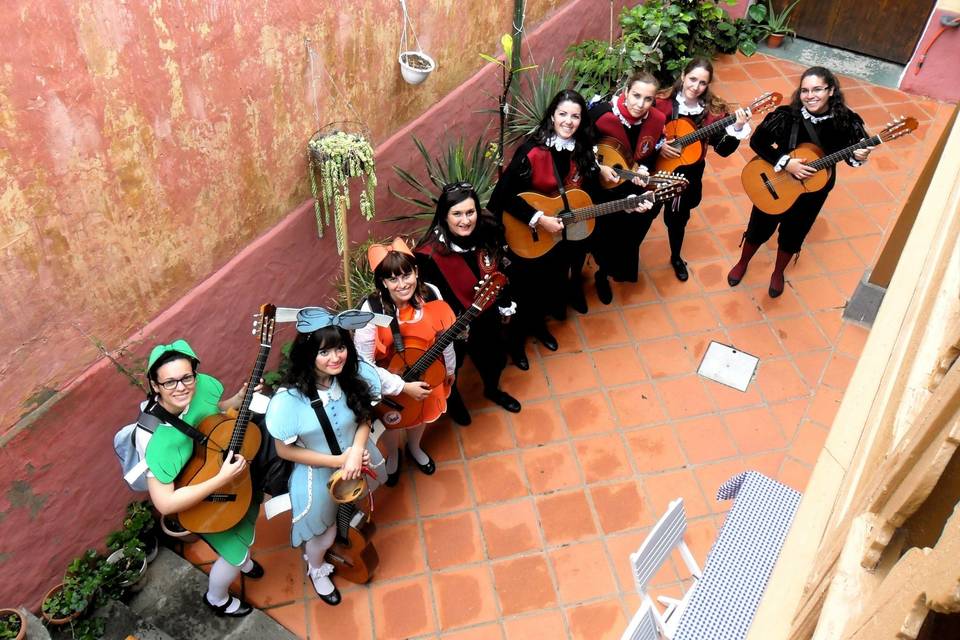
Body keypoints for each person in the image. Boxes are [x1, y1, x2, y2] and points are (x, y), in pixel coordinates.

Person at [265, 309, 385, 606]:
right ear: (308, 354)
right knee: (323, 532)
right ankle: (316, 567)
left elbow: (364, 418)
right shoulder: (289, 400)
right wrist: (339, 462)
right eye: (325, 351)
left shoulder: (351, 377)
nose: (335, 357)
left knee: (353, 506)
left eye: (340, 347)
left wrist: (356, 451)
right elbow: (284, 450)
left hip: (357, 459)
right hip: (317, 473)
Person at [136, 340, 263, 617]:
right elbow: (166, 503)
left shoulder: (201, 387)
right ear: (155, 386)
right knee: (234, 555)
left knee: (246, 522)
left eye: (186, 377)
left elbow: (213, 411)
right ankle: (217, 598)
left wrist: (239, 398)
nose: (181, 387)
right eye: (169, 382)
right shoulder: (153, 438)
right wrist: (220, 479)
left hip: (226, 477)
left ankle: (243, 560)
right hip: (199, 498)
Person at [487, 89, 611, 360]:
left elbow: (590, 194)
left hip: (562, 237)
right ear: (552, 116)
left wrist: (628, 198)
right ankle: (517, 344)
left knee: (548, 286)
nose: (568, 121)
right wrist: (539, 219)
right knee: (526, 290)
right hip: (530, 234)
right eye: (563, 114)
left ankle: (539, 327)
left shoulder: (582, 150)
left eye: (575, 116)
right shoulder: (531, 151)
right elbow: (501, 197)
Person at [728, 66, 872, 297]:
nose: (809, 95)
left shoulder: (846, 122)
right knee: (759, 226)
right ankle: (743, 261)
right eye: (804, 90)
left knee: (794, 233)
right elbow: (758, 142)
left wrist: (858, 156)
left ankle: (777, 272)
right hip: (777, 182)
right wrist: (785, 162)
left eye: (817, 89)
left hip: (813, 192)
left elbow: (854, 156)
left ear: (831, 90)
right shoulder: (787, 116)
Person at [415, 181, 522, 423]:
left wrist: (505, 302)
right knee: (452, 367)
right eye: (457, 214)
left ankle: (493, 390)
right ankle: (453, 400)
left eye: (470, 212)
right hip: (452, 325)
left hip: (486, 313)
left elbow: (500, 268)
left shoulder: (490, 229)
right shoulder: (428, 255)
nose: (465, 220)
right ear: (444, 215)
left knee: (495, 359)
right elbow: (427, 298)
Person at [354, 238, 457, 485]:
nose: (402, 284)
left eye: (406, 274)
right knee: (392, 422)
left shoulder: (431, 294)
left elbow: (445, 336)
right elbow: (364, 363)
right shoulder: (371, 310)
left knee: (420, 414)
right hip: (387, 383)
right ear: (383, 282)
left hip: (426, 374)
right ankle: (393, 456)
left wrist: (449, 369)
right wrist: (402, 387)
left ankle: (414, 447)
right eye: (393, 279)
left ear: (416, 271)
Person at [654, 58, 752, 281]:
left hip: (686, 176)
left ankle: (676, 256)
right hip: (655, 168)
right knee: (644, 212)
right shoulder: (661, 102)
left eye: (702, 83)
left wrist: (737, 127)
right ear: (683, 76)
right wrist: (660, 147)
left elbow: (723, 150)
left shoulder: (713, 114)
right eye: (692, 79)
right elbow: (644, 133)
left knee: (677, 218)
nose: (695, 87)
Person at [590, 70, 664, 303]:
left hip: (633, 182)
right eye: (636, 96)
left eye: (648, 99)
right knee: (607, 231)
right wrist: (598, 167)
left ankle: (620, 265)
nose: (640, 104)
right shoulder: (602, 115)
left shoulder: (657, 120)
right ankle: (602, 272)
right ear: (626, 92)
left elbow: (649, 153)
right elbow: (582, 148)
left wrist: (643, 169)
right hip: (604, 185)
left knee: (641, 219)